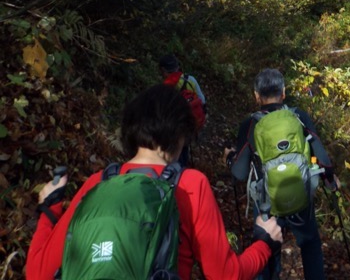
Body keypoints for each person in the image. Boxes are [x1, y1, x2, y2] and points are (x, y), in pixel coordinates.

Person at [26, 84, 282, 280]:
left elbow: (37, 273)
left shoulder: (97, 183)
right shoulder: (190, 184)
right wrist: (263, 242)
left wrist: (50, 209)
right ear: (181, 134)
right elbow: (225, 274)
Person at [224, 68, 336, 280]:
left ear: (256, 96)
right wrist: (329, 177)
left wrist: (229, 158)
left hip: (267, 204)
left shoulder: (250, 124)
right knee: (310, 244)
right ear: (283, 92)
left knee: (265, 249)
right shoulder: (299, 116)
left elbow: (239, 173)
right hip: (300, 196)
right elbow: (320, 153)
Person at [159, 54, 207, 166]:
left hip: (173, 124)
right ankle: (182, 173)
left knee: (174, 151)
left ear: (163, 70)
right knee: (184, 148)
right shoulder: (190, 80)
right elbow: (202, 100)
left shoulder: (165, 86)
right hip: (191, 122)